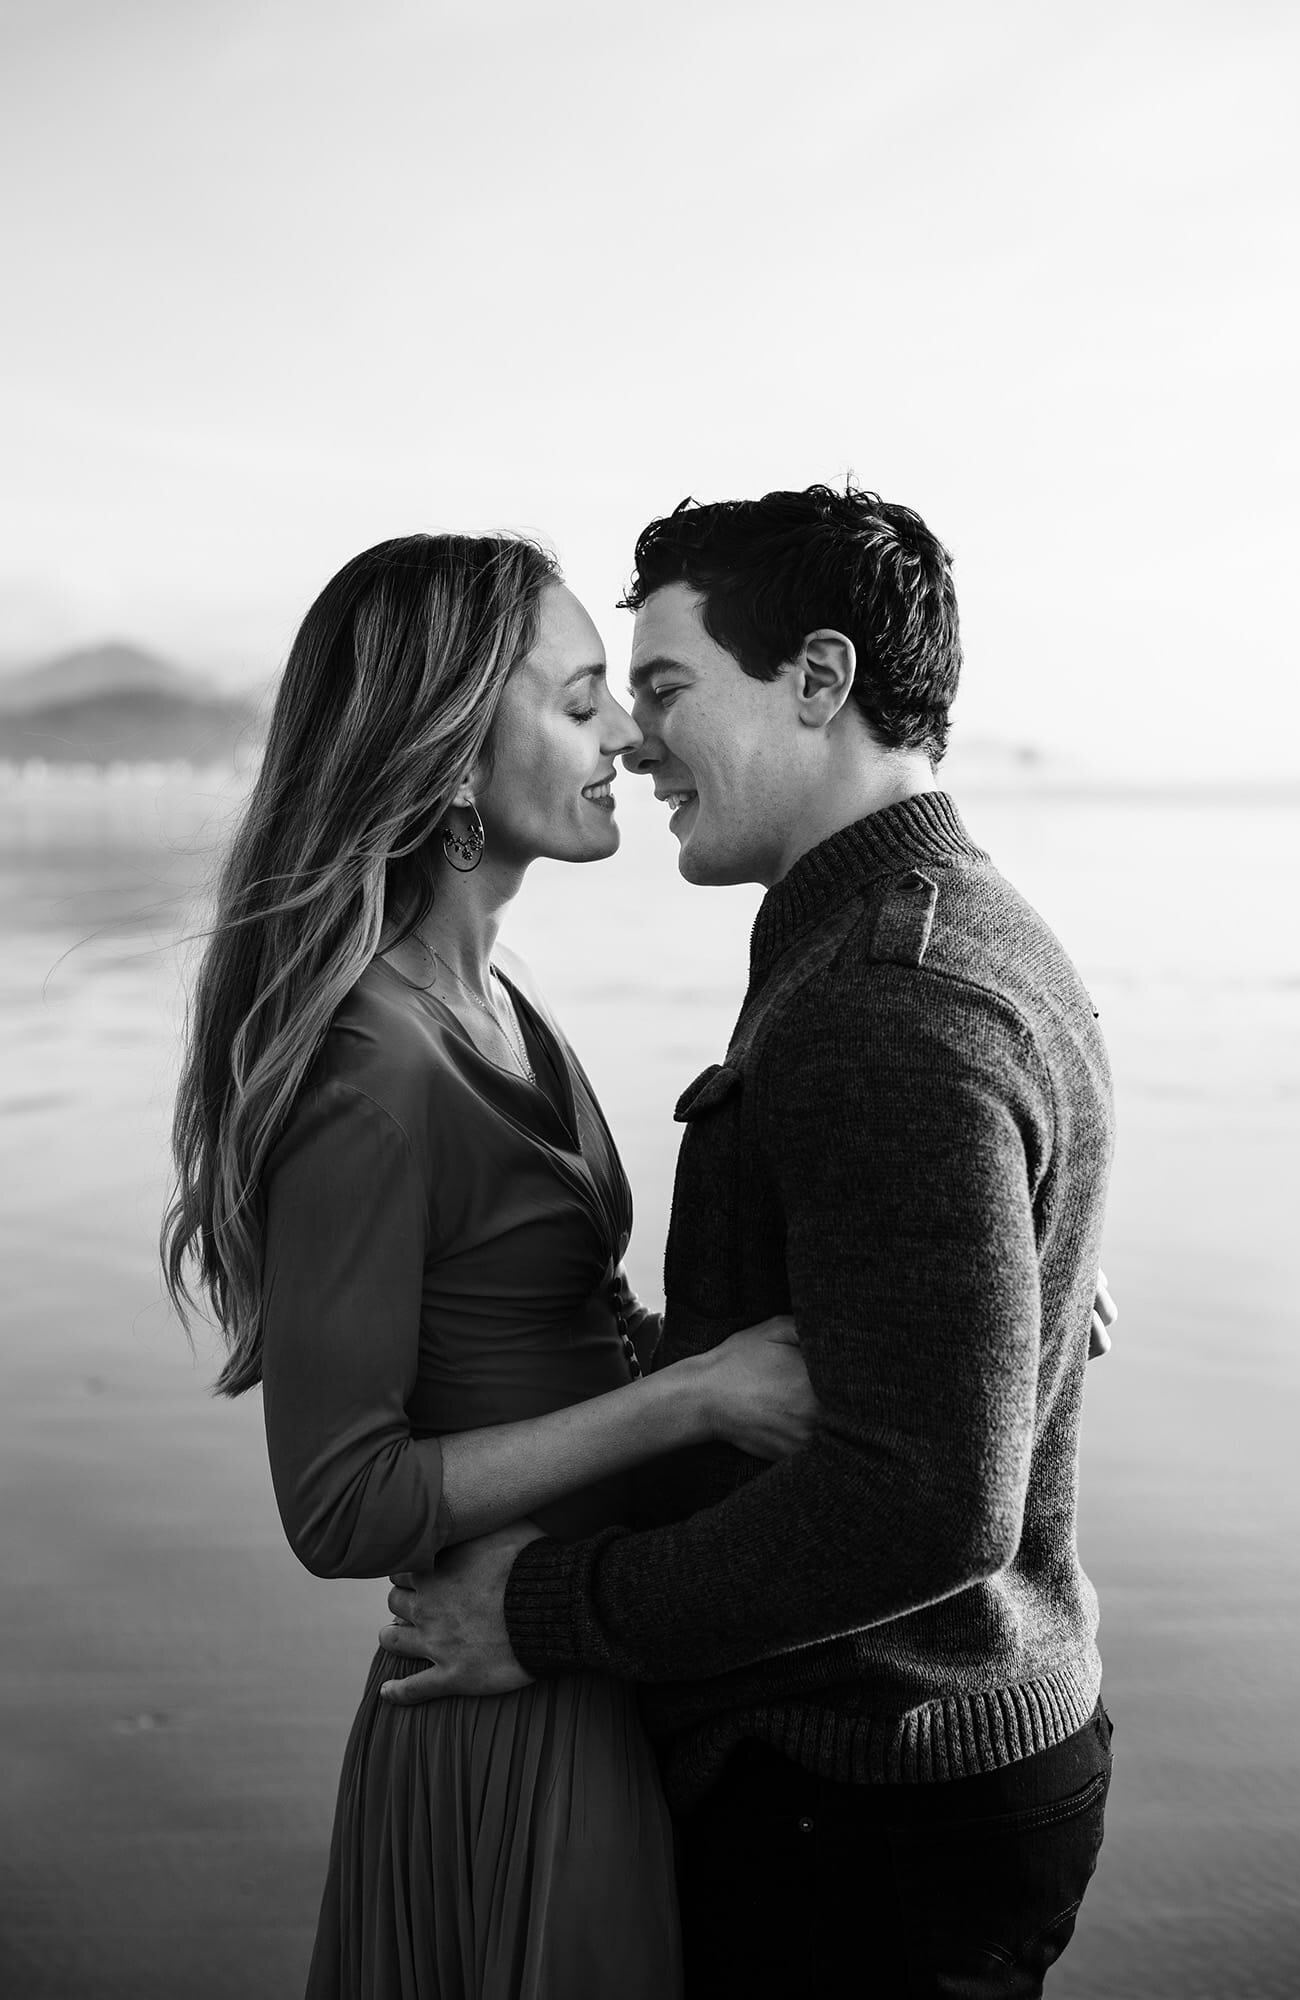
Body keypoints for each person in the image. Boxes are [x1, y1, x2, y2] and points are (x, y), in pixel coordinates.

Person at [380, 487, 1119, 1998]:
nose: (635, 741)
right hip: (934, 1760)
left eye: (661, 688)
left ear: (821, 681)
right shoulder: (950, 929)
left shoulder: (887, 995)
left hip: (868, 1796)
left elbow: (920, 1508)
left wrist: (544, 1614)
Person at [160, 531, 823, 2000]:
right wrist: (696, 1399)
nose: (629, 738)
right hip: (500, 1716)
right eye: (582, 700)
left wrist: (955, 1289)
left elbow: (583, 1336)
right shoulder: (369, 1071)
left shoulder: (498, 1002)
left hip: (579, 1658)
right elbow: (339, 1504)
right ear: (456, 755)